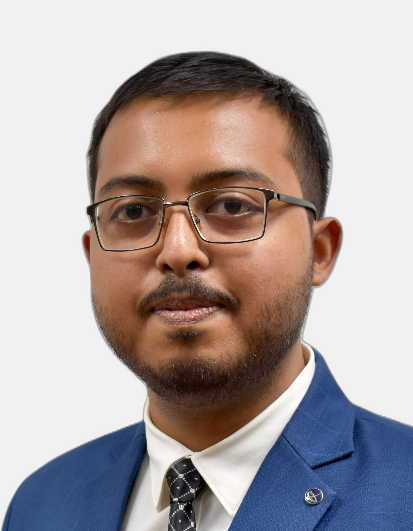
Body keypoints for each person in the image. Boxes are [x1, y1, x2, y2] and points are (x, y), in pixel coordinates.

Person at [3, 51, 413, 531]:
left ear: (319, 251)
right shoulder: (41, 504)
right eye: (133, 212)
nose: (178, 251)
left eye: (233, 205)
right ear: (93, 255)